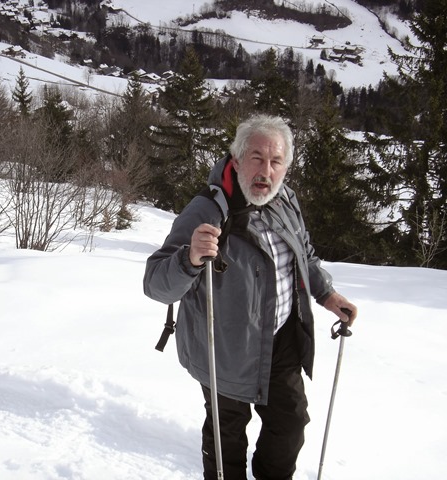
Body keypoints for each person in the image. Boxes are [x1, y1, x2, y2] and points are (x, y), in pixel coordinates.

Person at [143, 114, 357, 480]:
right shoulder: (207, 210)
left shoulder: (285, 200)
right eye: (257, 158)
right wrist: (190, 257)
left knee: (289, 424)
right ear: (238, 160)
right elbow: (155, 283)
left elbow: (302, 254)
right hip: (224, 348)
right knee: (227, 440)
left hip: (282, 341)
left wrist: (327, 293)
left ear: (286, 168)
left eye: (276, 162)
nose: (266, 171)